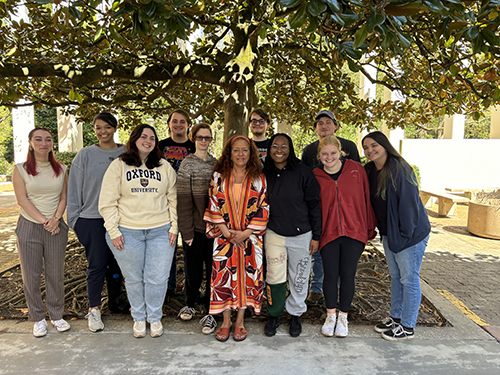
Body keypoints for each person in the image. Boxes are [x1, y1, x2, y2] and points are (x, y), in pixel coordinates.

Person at [99, 124, 178, 338]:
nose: (148, 141)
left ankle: (154, 317)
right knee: (133, 278)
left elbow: (173, 200)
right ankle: (139, 318)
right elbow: (107, 201)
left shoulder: (164, 166)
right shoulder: (119, 166)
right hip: (128, 231)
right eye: (143, 137)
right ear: (134, 139)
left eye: (152, 137)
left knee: (158, 278)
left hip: (161, 231)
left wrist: (174, 227)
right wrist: (113, 231)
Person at [362, 131, 431, 341]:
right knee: (396, 277)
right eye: (365, 147)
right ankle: (396, 317)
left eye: (374, 145)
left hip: (409, 235)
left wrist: (404, 236)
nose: (369, 150)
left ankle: (408, 327)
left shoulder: (400, 168)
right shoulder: (370, 170)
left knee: (409, 278)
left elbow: (409, 206)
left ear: (384, 145)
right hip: (389, 233)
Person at [67, 112, 129, 333]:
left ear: (115, 128)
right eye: (98, 127)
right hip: (92, 219)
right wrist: (74, 220)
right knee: (97, 265)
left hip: (121, 220)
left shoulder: (126, 153)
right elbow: (73, 188)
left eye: (107, 127)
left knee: (118, 264)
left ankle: (117, 301)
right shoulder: (85, 155)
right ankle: (94, 309)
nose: (103, 132)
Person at [203, 136, 269, 342]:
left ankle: (240, 321)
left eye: (245, 150)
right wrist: (229, 234)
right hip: (224, 239)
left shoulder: (259, 178)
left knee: (246, 278)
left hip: (251, 239)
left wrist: (246, 233)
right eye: (236, 150)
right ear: (229, 153)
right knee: (224, 278)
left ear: (251, 154)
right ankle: (225, 322)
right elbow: (213, 204)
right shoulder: (219, 177)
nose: (241, 154)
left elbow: (264, 207)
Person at [313, 135, 376, 338]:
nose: (329, 157)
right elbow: (312, 207)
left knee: (348, 275)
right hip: (328, 233)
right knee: (330, 275)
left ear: (340, 152)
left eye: (333, 153)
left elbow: (367, 198)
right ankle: (330, 315)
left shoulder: (356, 170)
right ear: (319, 155)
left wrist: (368, 228)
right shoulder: (315, 175)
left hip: (354, 231)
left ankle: (343, 317)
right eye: (325, 154)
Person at [13, 127, 70, 337]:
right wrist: (44, 220)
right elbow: (22, 199)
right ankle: (37, 318)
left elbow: (64, 197)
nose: (43, 143)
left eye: (48, 139)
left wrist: (55, 219)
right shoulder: (20, 169)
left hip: (56, 227)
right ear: (30, 143)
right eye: (38, 139)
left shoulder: (62, 168)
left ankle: (56, 315)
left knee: (55, 274)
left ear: (52, 143)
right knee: (31, 275)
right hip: (29, 226)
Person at [262, 133, 321, 337]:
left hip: (302, 235)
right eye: (275, 146)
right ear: (269, 149)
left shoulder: (303, 172)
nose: (279, 150)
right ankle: (274, 314)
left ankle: (295, 314)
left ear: (291, 149)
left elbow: (315, 204)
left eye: (284, 146)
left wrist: (316, 236)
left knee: (300, 277)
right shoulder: (263, 172)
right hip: (274, 233)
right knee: (274, 276)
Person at [302, 110, 361, 305]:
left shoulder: (350, 147)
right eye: (320, 123)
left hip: (345, 214)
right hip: (320, 210)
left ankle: (338, 294)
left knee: (343, 257)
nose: (324, 126)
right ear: (316, 128)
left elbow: (357, 182)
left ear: (336, 126)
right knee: (320, 251)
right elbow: (304, 181)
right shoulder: (309, 151)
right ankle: (317, 288)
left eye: (328, 122)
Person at [176, 123, 217, 334]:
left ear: (211, 140)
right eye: (200, 137)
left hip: (215, 230)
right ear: (194, 139)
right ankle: (190, 303)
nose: (203, 141)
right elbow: (182, 201)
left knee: (213, 271)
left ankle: (211, 309)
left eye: (207, 137)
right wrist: (187, 231)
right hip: (194, 229)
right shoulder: (187, 164)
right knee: (193, 270)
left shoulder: (216, 164)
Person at [158, 109, 195, 298]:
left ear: (188, 124)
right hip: (164, 204)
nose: (178, 125)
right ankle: (168, 287)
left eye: (182, 121)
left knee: (191, 248)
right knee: (167, 246)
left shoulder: (195, 146)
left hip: (189, 204)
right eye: (175, 121)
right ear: (169, 124)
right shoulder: (159, 146)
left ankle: (191, 289)